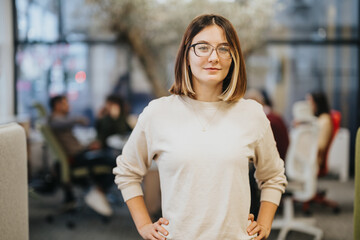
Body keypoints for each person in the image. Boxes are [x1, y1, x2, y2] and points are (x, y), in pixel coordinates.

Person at [113, 14, 287, 240]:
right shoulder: (158, 113)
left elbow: (273, 176)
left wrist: (264, 223)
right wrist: (144, 225)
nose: (214, 57)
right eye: (203, 47)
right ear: (186, 55)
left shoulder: (251, 114)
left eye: (224, 49)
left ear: (233, 58)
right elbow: (127, 172)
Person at [48, 95, 115, 217]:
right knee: (114, 161)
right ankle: (98, 191)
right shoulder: (55, 120)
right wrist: (79, 119)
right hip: (77, 159)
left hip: (80, 154)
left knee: (107, 155)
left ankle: (97, 190)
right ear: (57, 105)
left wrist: (88, 147)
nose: (68, 106)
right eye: (65, 103)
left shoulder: (60, 120)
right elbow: (63, 123)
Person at [306, 91, 334, 176]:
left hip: (314, 159)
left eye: (310, 103)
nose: (308, 106)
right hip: (310, 156)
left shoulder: (324, 120)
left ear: (317, 104)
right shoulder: (318, 120)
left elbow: (321, 145)